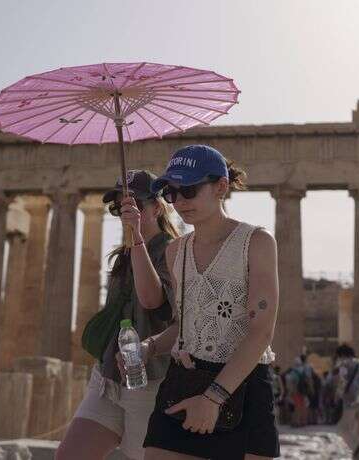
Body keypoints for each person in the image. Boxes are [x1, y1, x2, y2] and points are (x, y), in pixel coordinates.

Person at [140, 145, 281, 459]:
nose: (179, 202)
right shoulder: (175, 251)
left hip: (243, 386)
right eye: (171, 193)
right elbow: (185, 326)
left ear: (221, 186)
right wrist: (148, 347)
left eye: (188, 189)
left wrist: (213, 398)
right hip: (184, 381)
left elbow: (261, 332)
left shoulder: (256, 242)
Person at [56, 170, 179, 460]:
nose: (124, 212)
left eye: (133, 204)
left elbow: (152, 301)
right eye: (118, 207)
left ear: (156, 208)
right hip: (107, 376)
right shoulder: (122, 256)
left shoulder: (173, 251)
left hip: (150, 381)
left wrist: (137, 235)